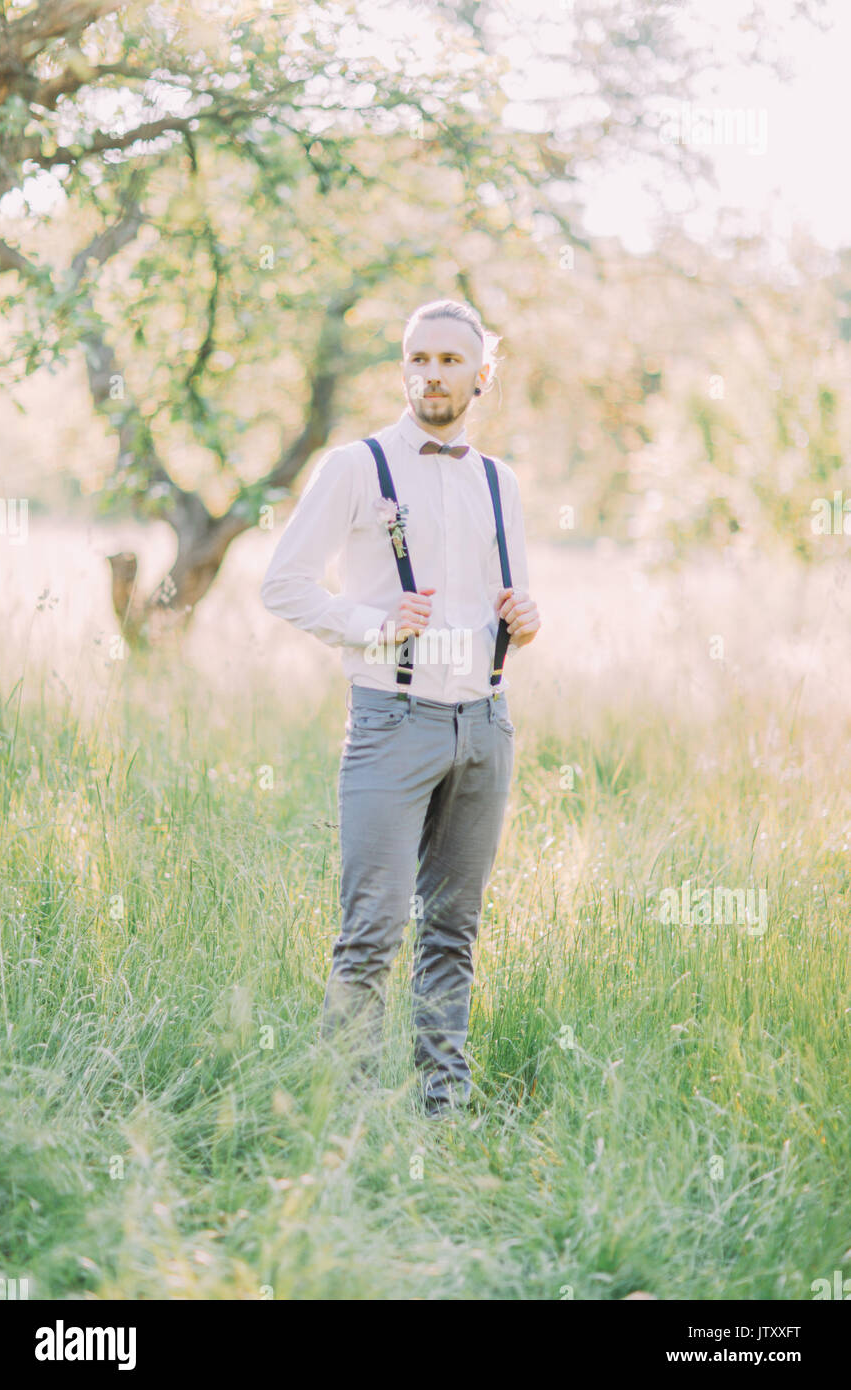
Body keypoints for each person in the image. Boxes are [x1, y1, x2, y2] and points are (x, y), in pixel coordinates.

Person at [260, 298, 540, 1117]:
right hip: (390, 721)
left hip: (486, 726)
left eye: (451, 361)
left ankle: (440, 1109)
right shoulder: (356, 466)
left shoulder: (501, 481)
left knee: (453, 932)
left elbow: (512, 602)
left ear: (482, 375)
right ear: (403, 368)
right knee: (372, 933)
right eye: (419, 359)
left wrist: (525, 621)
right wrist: (371, 627)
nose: (432, 374)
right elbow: (282, 584)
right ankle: (340, 1118)